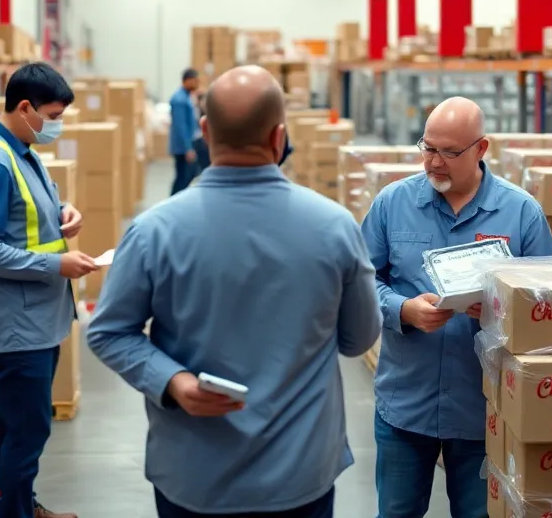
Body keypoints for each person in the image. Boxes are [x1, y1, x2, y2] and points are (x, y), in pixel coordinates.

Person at [88, 65, 382, 518]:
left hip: (194, 476)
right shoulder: (335, 227)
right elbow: (358, 339)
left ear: (204, 131)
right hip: (299, 472)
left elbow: (108, 332)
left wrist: (174, 381)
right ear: (279, 138)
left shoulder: (153, 231)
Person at [362, 97, 552, 518]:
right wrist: (402, 309)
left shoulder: (521, 213)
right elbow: (359, 286)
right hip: (405, 405)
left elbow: (547, 308)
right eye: (428, 148)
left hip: (481, 410)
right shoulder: (391, 204)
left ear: (481, 149)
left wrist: (502, 311)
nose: (434, 162)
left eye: (449, 153)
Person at [0, 63, 99, 518]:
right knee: (26, 432)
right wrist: (56, 264)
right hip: (18, 327)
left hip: (37, 318)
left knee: (22, 429)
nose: (56, 125)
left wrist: (64, 210)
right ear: (25, 107)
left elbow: (30, 211)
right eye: (53, 115)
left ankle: (24, 505)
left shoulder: (20, 148)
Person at [169, 67, 202, 195]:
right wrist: (188, 148)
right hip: (182, 147)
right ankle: (173, 203)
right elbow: (180, 126)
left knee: (188, 176)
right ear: (187, 80)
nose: (197, 84)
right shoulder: (179, 100)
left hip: (186, 145)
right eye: (195, 81)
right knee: (182, 178)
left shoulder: (187, 96)